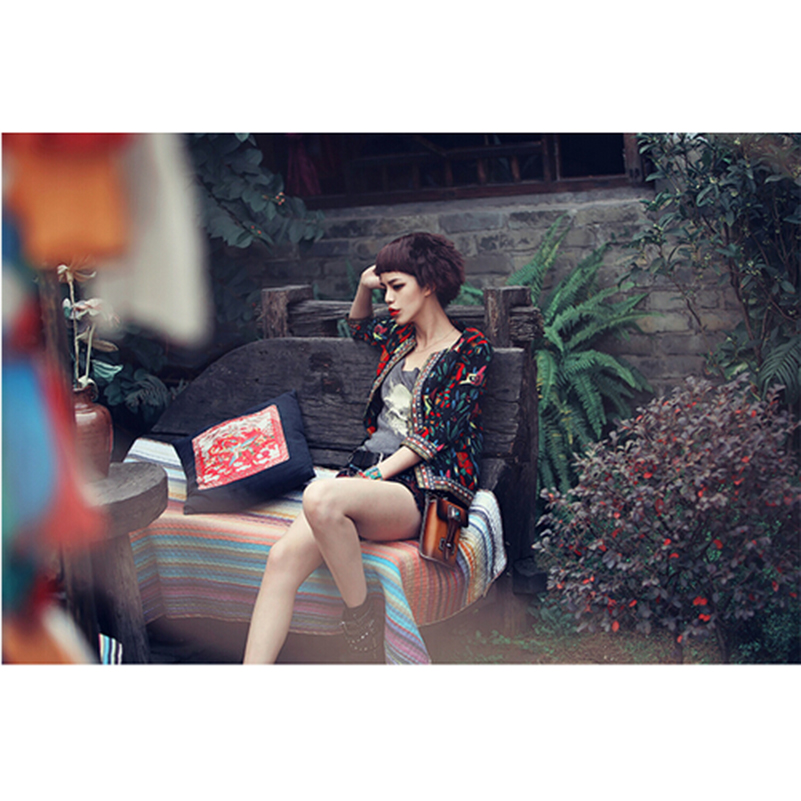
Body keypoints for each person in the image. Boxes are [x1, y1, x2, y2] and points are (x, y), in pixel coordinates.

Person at [243, 232, 492, 662]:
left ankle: (359, 619)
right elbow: (358, 325)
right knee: (281, 558)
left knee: (321, 497)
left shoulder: (469, 348)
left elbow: (438, 432)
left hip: (419, 486)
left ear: (429, 284)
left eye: (397, 287)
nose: (388, 298)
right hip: (366, 476)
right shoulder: (399, 337)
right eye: (385, 287)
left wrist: (376, 474)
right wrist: (363, 284)